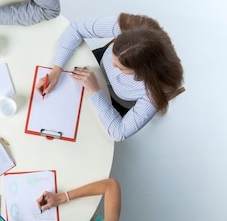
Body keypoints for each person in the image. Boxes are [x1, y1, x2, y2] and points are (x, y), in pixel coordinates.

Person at [37, 14, 184, 141]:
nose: (113, 66)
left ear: (143, 72)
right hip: (93, 65)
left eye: (120, 67)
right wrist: (56, 70)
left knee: (73, 127)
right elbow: (76, 28)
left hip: (113, 102)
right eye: (113, 57)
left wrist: (95, 91)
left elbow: (119, 132)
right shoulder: (131, 27)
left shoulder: (155, 91)